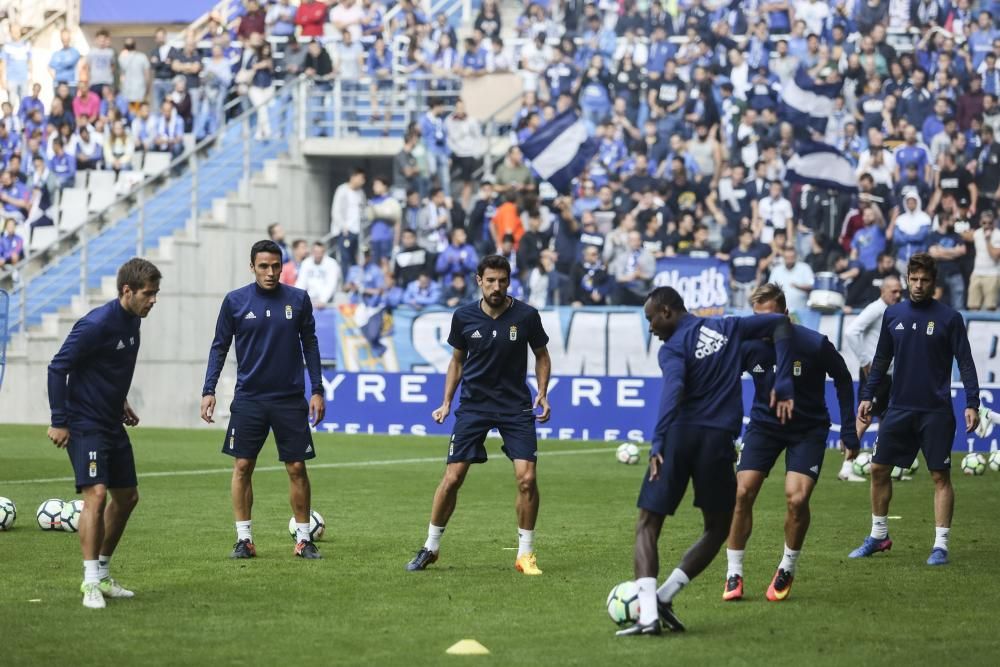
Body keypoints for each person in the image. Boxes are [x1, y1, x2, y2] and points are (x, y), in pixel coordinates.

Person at [617, 287, 795, 636]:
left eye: (650, 318)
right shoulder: (728, 327)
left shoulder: (672, 350)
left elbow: (673, 389)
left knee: (647, 524)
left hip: (678, 438)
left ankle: (650, 613)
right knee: (718, 526)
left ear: (666, 311)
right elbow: (781, 325)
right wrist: (784, 380)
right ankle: (666, 596)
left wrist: (657, 442)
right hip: (717, 442)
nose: (650, 327)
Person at [405, 255, 552, 575]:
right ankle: (430, 547)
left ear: (509, 281)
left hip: (516, 407)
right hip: (473, 406)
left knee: (527, 479)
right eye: (490, 281)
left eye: (502, 281)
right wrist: (446, 402)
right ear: (478, 281)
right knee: (453, 478)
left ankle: (525, 555)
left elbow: (542, 355)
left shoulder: (526, 316)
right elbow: (456, 362)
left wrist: (542, 391)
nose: (496, 287)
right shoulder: (464, 316)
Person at [724, 284, 859, 602]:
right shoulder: (750, 347)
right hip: (764, 427)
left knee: (796, 500)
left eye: (769, 318)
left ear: (785, 314)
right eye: (757, 319)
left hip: (807, 430)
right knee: (741, 492)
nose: (763, 327)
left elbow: (842, 377)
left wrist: (849, 431)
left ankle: (787, 566)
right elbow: (726, 382)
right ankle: (734, 572)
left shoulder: (813, 344)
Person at [849, 254, 980, 566]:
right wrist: (867, 396)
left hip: (935, 411)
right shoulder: (893, 315)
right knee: (879, 469)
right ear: (908, 278)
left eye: (924, 280)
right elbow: (880, 360)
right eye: (914, 279)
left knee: (939, 476)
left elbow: (965, 361)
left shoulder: (950, 318)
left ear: (934, 283)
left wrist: (972, 403)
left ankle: (941, 546)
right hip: (898, 408)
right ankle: (879, 536)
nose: (918, 285)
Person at [46, 258, 162, 609]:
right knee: (96, 495)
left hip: (111, 420)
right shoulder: (96, 324)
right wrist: (58, 419)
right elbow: (58, 367)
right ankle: (90, 582)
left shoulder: (133, 322)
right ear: (127, 291)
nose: (153, 300)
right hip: (84, 422)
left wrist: (121, 400)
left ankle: (104, 573)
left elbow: (107, 366)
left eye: (156, 293)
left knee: (127, 498)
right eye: (148, 294)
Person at [201, 240, 326, 560]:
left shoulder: (298, 300)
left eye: (275, 266)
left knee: (297, 467)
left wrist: (317, 390)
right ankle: (244, 539)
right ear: (252, 267)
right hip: (250, 399)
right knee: (242, 466)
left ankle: (303, 540)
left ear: (282, 266)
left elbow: (310, 346)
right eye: (263, 266)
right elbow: (219, 347)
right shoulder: (235, 301)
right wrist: (209, 390)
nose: (270, 273)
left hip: (289, 400)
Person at [842, 275, 903, 478]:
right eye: (893, 291)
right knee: (864, 418)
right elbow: (851, 332)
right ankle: (847, 467)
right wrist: (865, 361)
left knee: (889, 419)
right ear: (882, 291)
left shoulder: (896, 311)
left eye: (900, 291)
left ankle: (886, 466)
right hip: (874, 375)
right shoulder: (876, 309)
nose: (898, 295)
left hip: (890, 375)